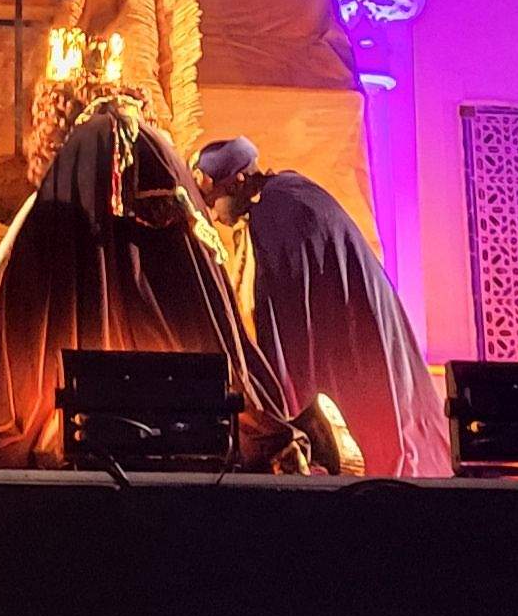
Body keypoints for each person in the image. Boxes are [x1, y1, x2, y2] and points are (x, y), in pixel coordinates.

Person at [0, 92, 286, 465]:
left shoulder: (52, 223)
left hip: (129, 437)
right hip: (184, 440)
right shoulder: (181, 244)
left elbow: (21, 331)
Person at [190, 137, 449, 478]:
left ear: (237, 182)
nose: (215, 216)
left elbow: (286, 314)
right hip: (347, 331)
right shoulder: (286, 194)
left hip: (350, 338)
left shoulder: (278, 213)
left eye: (214, 201)